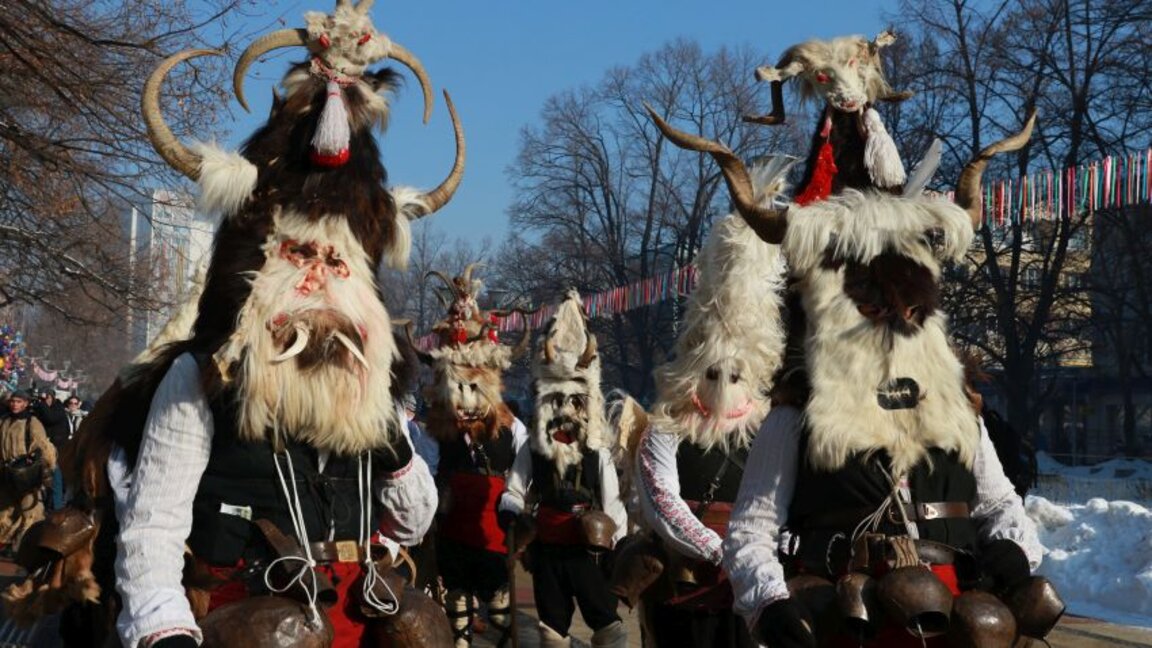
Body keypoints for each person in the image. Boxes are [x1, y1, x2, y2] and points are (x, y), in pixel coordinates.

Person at [501, 291, 629, 648]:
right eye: (558, 399)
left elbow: (613, 500)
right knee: (552, 629)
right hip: (547, 553)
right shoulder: (534, 447)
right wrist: (510, 514)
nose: (566, 408)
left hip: (588, 552)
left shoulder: (595, 449)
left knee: (606, 622)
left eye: (574, 400)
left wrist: (615, 546)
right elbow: (514, 489)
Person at [0, 389, 57, 551]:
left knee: (29, 512)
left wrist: (42, 471)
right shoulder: (3, 421)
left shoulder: (32, 422)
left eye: (19, 402)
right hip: (5, 473)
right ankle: (6, 542)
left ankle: (24, 546)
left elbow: (43, 448)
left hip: (26, 474)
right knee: (5, 509)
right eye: (12, 401)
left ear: (25, 404)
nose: (15, 405)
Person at [33, 390, 69, 510]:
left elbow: (50, 418)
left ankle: (56, 506)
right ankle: (46, 504)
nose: (46, 400)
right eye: (44, 398)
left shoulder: (58, 408)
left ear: (53, 398)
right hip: (42, 449)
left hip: (56, 450)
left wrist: (42, 404)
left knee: (55, 478)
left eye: (48, 398)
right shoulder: (41, 409)